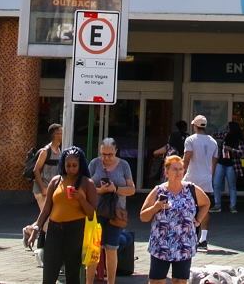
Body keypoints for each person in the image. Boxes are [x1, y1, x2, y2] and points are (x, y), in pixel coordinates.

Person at [141, 153, 209, 281]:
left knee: (180, 281)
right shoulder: (158, 191)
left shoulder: (191, 189)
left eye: (181, 169)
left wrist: (198, 220)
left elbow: (206, 203)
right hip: (161, 246)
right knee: (157, 281)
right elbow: (143, 216)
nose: (178, 172)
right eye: (174, 169)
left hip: (184, 246)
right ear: (166, 172)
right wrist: (156, 207)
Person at [36, 146, 94, 284]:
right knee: (49, 274)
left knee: (72, 274)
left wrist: (81, 198)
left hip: (75, 230)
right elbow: (46, 209)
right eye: (68, 165)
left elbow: (92, 213)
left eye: (74, 165)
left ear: (80, 165)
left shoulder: (87, 184)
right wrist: (36, 229)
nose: (71, 169)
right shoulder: (56, 181)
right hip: (54, 231)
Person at [91, 137, 136, 284]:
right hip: (96, 211)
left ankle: (111, 281)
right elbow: (86, 187)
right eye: (103, 154)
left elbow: (131, 190)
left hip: (116, 212)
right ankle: (89, 281)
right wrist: (100, 190)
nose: (106, 158)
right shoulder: (94, 164)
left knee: (111, 248)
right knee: (94, 248)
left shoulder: (124, 165)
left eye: (110, 155)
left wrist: (115, 189)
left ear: (116, 152)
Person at [26, 124, 67, 246]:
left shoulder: (59, 151)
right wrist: (43, 188)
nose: (64, 134)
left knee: (49, 215)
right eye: (62, 132)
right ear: (56, 135)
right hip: (42, 190)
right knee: (49, 221)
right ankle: (48, 245)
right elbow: (36, 170)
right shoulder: (46, 151)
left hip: (52, 190)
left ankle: (29, 230)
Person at [181, 116, 218, 248]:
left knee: (188, 207)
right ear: (205, 126)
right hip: (206, 180)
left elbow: (186, 159)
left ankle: (190, 236)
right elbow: (214, 163)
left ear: (194, 126)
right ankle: (203, 238)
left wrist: (180, 174)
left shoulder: (190, 140)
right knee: (205, 207)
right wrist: (209, 176)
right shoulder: (213, 142)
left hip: (191, 178)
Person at [216, 118, 242, 214]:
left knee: (232, 185)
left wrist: (231, 149)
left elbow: (241, 153)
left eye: (228, 128)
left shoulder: (238, 140)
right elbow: (215, 135)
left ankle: (233, 206)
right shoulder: (224, 135)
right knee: (216, 183)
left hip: (231, 164)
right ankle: (217, 204)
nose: (226, 130)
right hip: (221, 162)